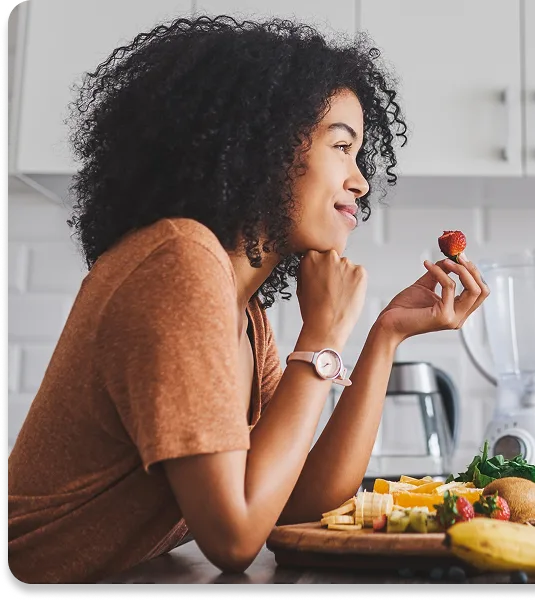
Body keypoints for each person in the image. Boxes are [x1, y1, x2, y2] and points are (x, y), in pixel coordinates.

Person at [8, 15, 489, 584]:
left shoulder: (245, 315)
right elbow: (234, 538)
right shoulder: (178, 265)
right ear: (262, 147)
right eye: (342, 146)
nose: (361, 182)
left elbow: (295, 504)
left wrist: (385, 336)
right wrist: (320, 338)